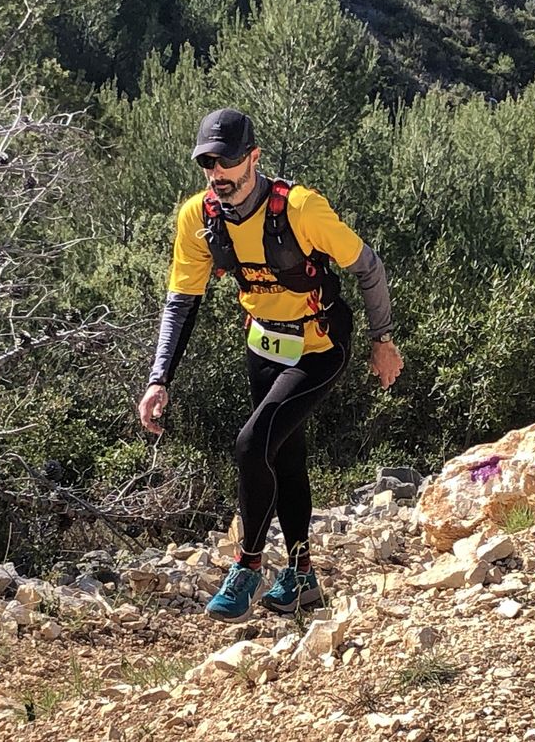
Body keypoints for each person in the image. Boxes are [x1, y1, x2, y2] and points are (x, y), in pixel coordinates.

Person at [137, 108, 403, 622]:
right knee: (283, 456)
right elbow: (181, 302)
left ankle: (248, 564)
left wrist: (383, 340)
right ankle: (302, 576)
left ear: (253, 158)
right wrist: (158, 379)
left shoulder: (301, 208)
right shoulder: (199, 217)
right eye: (208, 164)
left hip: (319, 345)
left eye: (229, 162)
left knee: (250, 444)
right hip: (263, 347)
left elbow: (368, 267)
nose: (218, 175)